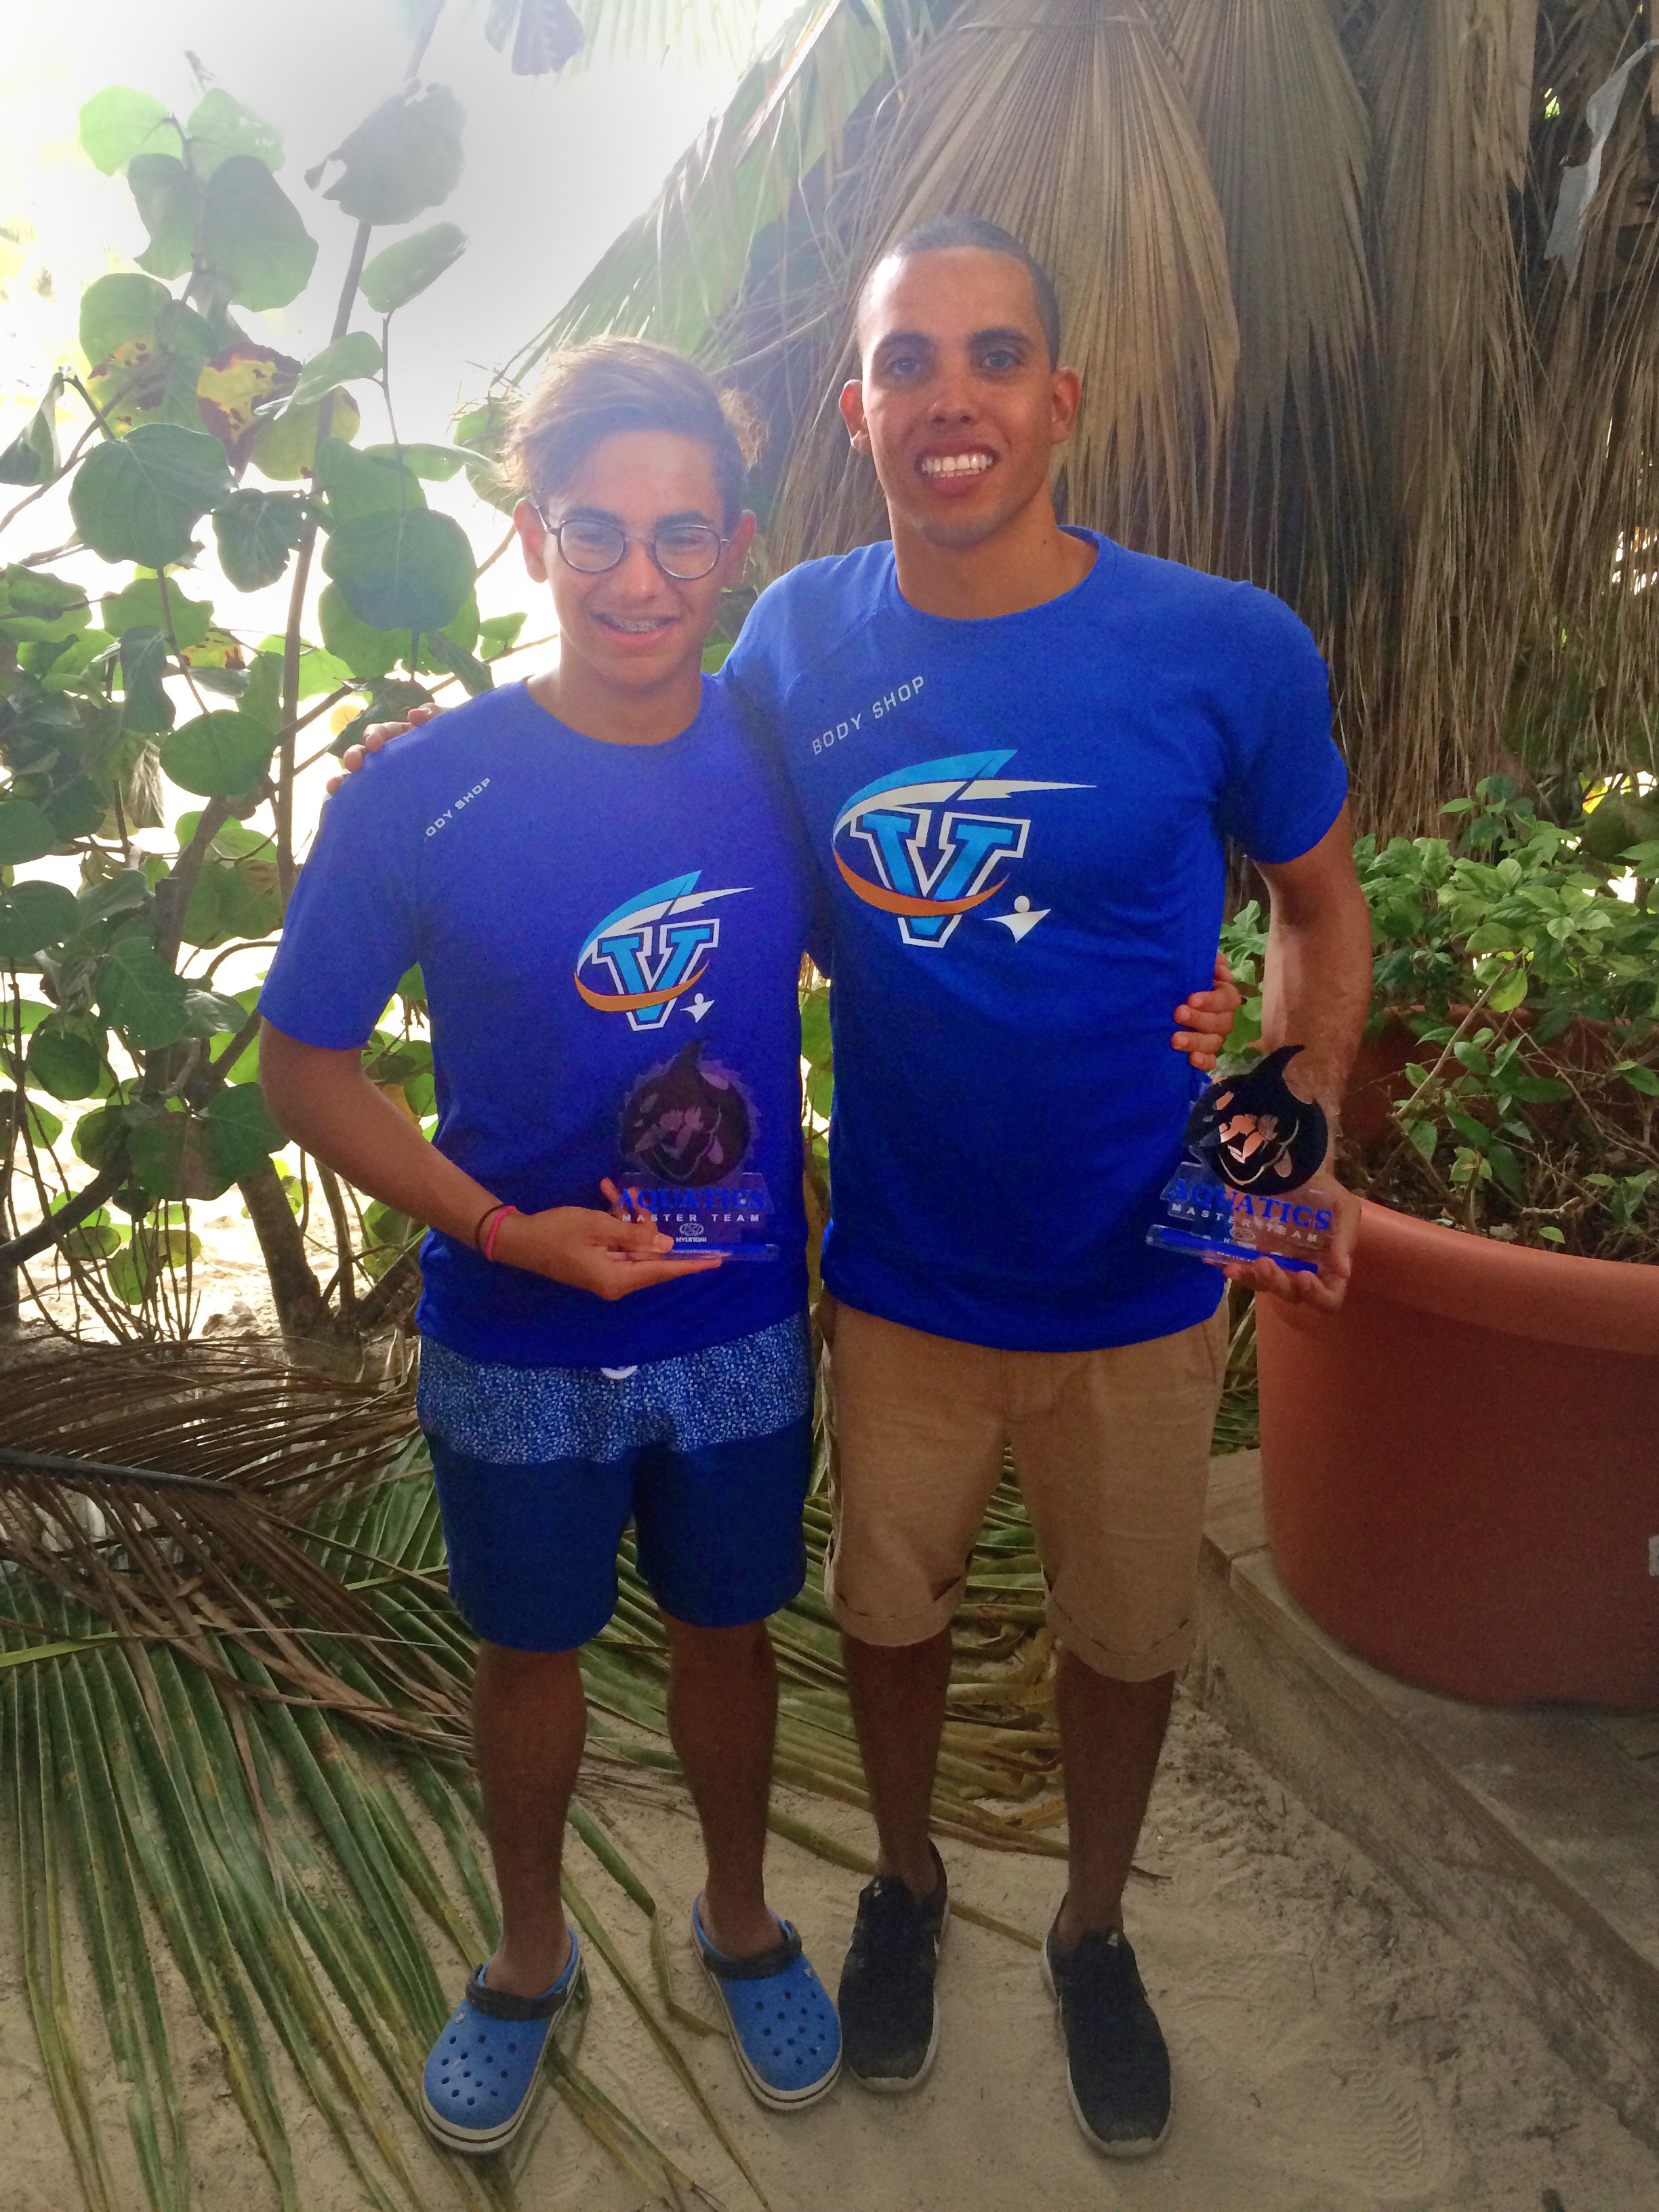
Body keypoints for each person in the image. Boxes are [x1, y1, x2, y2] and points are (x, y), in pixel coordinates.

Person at [342, 218, 1365, 2163]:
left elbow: (1316, 907)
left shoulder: (1226, 644)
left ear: (1061, 398)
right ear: (859, 408)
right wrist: (433, 768)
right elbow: (647, 753)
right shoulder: (799, 642)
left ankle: (1090, 1932)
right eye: (911, 363)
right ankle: (903, 1889)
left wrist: (1290, 1088)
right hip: (894, 1274)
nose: (952, 398)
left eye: (996, 357)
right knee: (887, 1619)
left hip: (1149, 1275)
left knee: (1127, 1639)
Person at [258, 342, 846, 2154]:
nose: (640, 578)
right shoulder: (422, 790)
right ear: (535, 537)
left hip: (739, 1319)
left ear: (735, 545)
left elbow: (933, 933)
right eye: (599, 532)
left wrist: (1190, 1012)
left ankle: (737, 1919)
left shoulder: (782, 758)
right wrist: (506, 1229)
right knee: (526, 1656)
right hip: (514, 1333)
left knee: (731, 1636)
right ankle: (528, 1956)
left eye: (683, 537)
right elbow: (303, 1065)